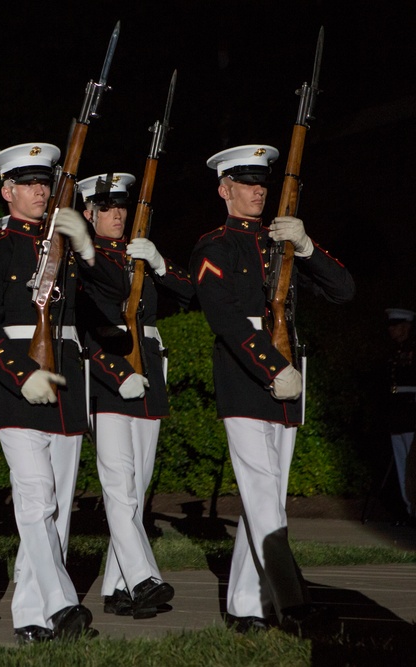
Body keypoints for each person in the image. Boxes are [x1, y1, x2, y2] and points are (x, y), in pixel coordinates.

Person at [190, 144, 355, 634]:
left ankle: (245, 606)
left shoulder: (280, 241)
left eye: (262, 181)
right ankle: (293, 602)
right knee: (262, 495)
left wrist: (306, 247)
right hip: (246, 378)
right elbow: (221, 315)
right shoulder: (213, 246)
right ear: (225, 189)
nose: (258, 189)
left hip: (288, 377)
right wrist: (270, 365)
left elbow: (344, 290)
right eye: (245, 182)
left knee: (268, 499)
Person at [0, 142, 94, 643]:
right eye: (30, 183)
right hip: (17, 388)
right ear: (7, 191)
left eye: (46, 183)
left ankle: (30, 613)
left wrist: (85, 247)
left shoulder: (62, 247)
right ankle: (62, 605)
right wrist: (21, 374)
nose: (41, 191)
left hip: (66, 386)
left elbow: (106, 301)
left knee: (56, 504)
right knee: (36, 497)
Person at [75, 172, 194, 619]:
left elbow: (190, 293)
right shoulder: (84, 261)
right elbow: (83, 324)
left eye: (121, 207)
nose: (117, 215)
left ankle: (118, 586)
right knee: (119, 487)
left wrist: (161, 265)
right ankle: (144, 578)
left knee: (136, 488)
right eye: (106, 208)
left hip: (149, 375)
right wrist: (115, 370)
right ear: (89, 213)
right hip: (110, 379)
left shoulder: (138, 255)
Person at [385, 307, 416, 522]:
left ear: (406, 327)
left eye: (396, 327)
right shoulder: (394, 351)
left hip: (412, 410)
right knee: (401, 461)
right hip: (397, 412)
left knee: (412, 462)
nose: (392, 331)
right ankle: (409, 509)